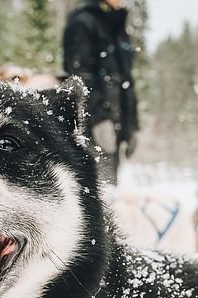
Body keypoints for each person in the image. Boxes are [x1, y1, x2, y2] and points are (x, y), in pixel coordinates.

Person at [63, 0, 139, 185]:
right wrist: (98, 119)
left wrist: (131, 127)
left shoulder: (119, 30)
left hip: (116, 124)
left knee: (110, 190)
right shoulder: (83, 23)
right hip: (92, 126)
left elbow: (125, 82)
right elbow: (80, 77)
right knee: (98, 192)